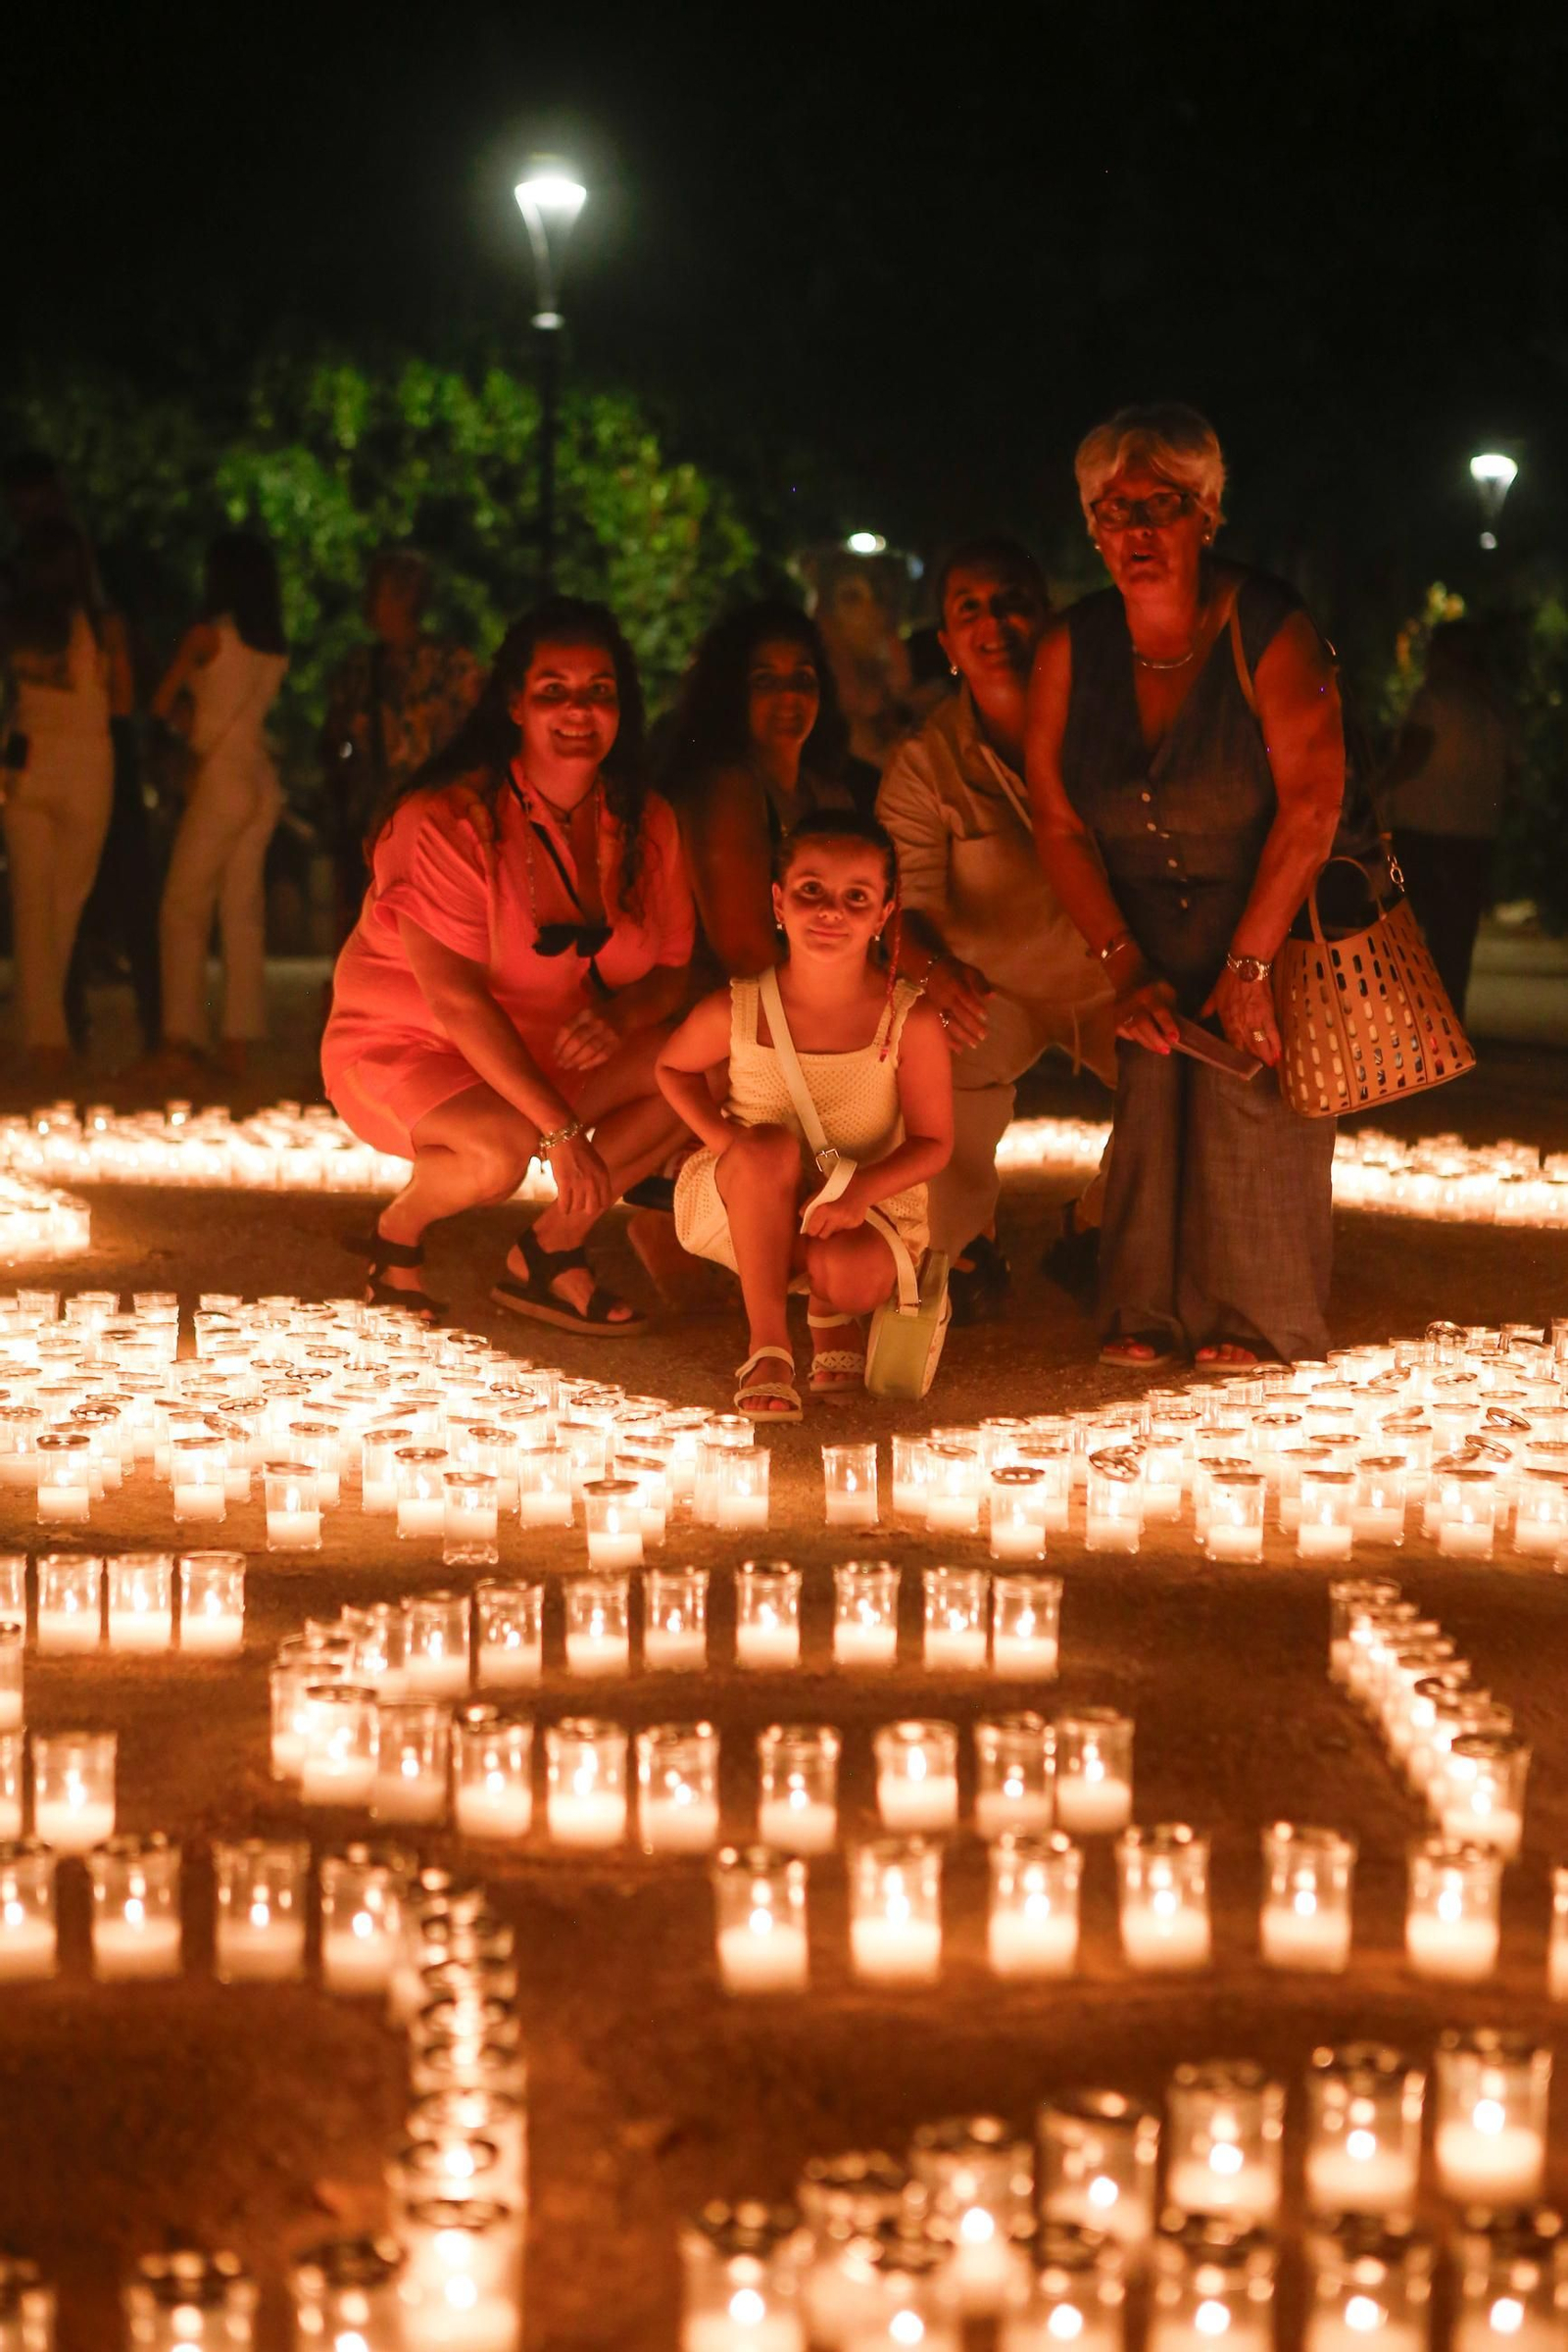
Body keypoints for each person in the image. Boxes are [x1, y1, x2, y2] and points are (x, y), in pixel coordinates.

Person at [1026, 403, 1356, 1370]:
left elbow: (1312, 805)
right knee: (1153, 1089)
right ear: (1089, 525)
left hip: (1267, 909)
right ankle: (1141, 1306)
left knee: (1254, 1100)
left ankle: (1252, 1316)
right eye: (1112, 508)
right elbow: (1056, 820)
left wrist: (1250, 964)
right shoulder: (1069, 649)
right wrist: (1121, 962)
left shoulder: (1269, 628)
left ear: (1205, 513)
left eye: (1159, 504)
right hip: (1137, 917)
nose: (1135, 530)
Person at [322, 596, 694, 1329]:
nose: (579, 710)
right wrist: (559, 1134)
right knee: (499, 1154)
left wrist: (625, 1014)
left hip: (541, 1047)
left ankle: (550, 1254)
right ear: (515, 706)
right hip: (411, 1044)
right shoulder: (448, 822)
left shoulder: (645, 821)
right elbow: (458, 1000)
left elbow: (675, 970)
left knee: (701, 1065)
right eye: (554, 690)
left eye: (600, 691)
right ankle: (397, 1233)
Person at [877, 537, 1116, 1321]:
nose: (994, 623)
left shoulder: (1111, 726)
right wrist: (935, 974)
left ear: (1045, 617)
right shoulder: (925, 764)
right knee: (930, 1071)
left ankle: (1097, 1224)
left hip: (1118, 979)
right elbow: (902, 911)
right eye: (968, 610)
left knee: (1195, 1093)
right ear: (946, 644)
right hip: (992, 990)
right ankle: (962, 1243)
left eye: (1012, 601)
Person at [657, 810, 952, 1417]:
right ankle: (768, 1346)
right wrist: (725, 1142)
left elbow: (933, 1142)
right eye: (810, 890)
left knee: (853, 1272)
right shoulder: (740, 1008)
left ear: (884, 915)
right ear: (778, 901)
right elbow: (672, 1068)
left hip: (858, 1202)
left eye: (856, 897)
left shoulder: (909, 1020)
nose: (830, 911)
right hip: (747, 1195)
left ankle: (830, 1309)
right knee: (765, 1146)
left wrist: (859, 1192)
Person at [151, 531, 289, 1079]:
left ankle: (181, 1039)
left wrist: (188, 715)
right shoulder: (273, 645)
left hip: (220, 779)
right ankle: (239, 1042)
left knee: (182, 907)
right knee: (242, 912)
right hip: (261, 777)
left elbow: (162, 702)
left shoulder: (207, 636)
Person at [660, 599, 856, 979]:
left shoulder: (829, 795)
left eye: (802, 679)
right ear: (732, 693)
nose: (789, 696)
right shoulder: (725, 790)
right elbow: (745, 951)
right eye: (765, 681)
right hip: (737, 1019)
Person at [0, 521, 123, 1073]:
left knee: (31, 900)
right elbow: (121, 701)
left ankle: (39, 1032)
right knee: (64, 904)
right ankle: (45, 1037)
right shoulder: (101, 625)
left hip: (25, 762)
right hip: (86, 765)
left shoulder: (15, 624)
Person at [318, 549, 483, 937]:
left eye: (382, 592)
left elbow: (478, 735)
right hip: (372, 812)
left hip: (433, 814)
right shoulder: (362, 667)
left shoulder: (450, 665)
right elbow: (333, 738)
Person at [1376, 620, 1520, 1015]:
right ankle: (1449, 1015)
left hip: (1424, 827)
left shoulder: (1435, 698)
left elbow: (1413, 755)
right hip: (1475, 833)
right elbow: (1513, 772)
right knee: (1456, 932)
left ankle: (1414, 1019)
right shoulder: (1495, 704)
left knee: (1406, 926)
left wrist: (1372, 790)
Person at [812, 554, 914, 775]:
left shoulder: (887, 648)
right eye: (851, 598)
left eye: (876, 597)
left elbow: (904, 695)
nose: (866, 609)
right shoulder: (824, 666)